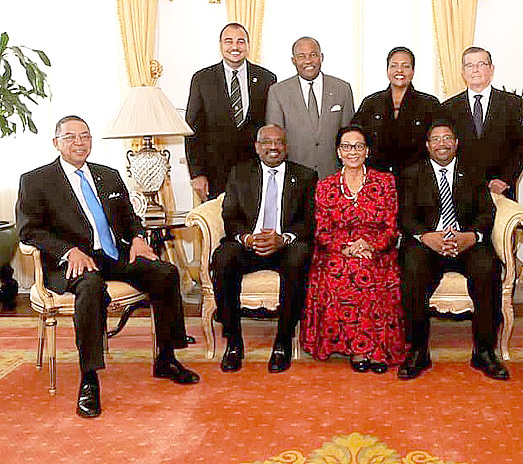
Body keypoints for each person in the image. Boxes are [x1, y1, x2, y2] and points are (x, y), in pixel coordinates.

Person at [16, 116, 199, 419]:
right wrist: (68, 250)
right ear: (56, 142)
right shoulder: (36, 180)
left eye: (85, 136)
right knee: (90, 287)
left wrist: (139, 238)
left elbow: (129, 218)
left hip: (113, 256)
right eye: (70, 137)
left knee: (165, 273)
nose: (79, 143)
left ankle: (166, 358)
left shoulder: (109, 175)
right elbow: (30, 230)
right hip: (73, 262)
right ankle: (89, 379)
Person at [398, 120, 508, 381]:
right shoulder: (411, 174)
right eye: (436, 139)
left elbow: (486, 212)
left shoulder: (473, 171)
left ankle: (484, 351)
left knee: (487, 268)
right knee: (412, 268)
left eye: (447, 138)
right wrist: (426, 237)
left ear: (456, 143)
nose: (442, 143)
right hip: (428, 243)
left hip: (466, 242)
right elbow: (405, 215)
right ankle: (417, 350)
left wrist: (472, 236)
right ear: (427, 146)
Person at [212, 124, 317, 374]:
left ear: (286, 147)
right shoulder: (240, 173)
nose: (273, 147)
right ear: (257, 147)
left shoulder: (305, 176)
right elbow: (230, 215)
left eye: (279, 142)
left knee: (299, 256)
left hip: (284, 246)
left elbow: (309, 221)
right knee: (223, 258)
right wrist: (247, 238)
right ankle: (234, 342)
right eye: (267, 142)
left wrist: (284, 238)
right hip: (249, 244)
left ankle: (283, 341)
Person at [301, 126, 406, 373]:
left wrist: (370, 245)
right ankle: (359, 349)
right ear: (338, 152)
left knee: (370, 269)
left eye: (358, 146)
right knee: (346, 269)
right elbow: (321, 231)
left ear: (367, 151)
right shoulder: (325, 186)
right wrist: (346, 248)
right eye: (347, 146)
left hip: (376, 248)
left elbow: (392, 228)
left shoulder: (385, 181)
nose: (353, 152)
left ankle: (378, 348)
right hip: (338, 250)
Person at [185, 22, 277, 200]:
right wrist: (197, 174)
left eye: (240, 41)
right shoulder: (202, 79)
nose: (235, 46)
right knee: (220, 225)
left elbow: (271, 126)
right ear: (220, 45)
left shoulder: (267, 79)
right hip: (215, 174)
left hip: (256, 170)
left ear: (248, 46)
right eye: (229, 41)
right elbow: (192, 130)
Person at [441, 46, 523, 199]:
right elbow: (446, 149)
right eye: (469, 65)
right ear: (463, 71)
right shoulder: (448, 107)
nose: (475, 70)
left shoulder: (511, 104)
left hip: (501, 190)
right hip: (461, 191)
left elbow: (520, 147)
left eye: (481, 64)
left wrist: (505, 180)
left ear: (491, 69)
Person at [266, 36, 355, 179]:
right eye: (301, 56)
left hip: (334, 176)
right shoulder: (278, 92)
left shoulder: (342, 89)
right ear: (293, 60)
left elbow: (350, 137)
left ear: (321, 57)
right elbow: (275, 140)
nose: (308, 61)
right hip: (294, 178)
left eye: (313, 55)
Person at [352, 46, 440, 175]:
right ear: (387, 70)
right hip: (377, 178)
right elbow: (356, 136)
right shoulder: (371, 102)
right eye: (394, 66)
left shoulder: (429, 104)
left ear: (413, 70)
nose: (399, 70)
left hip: (418, 178)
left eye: (405, 66)